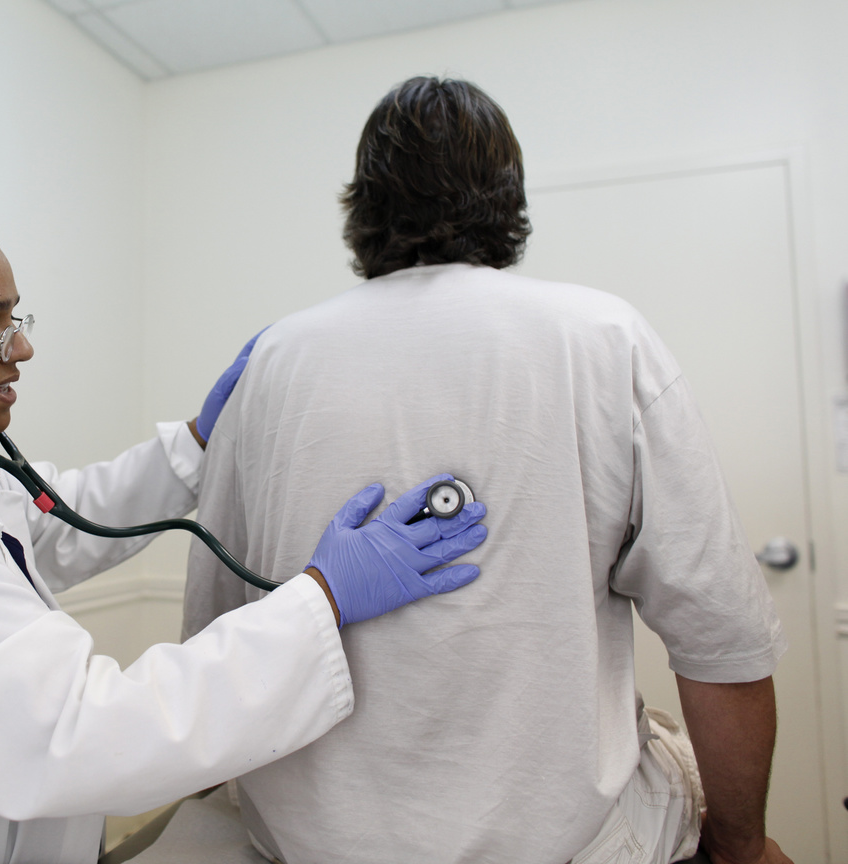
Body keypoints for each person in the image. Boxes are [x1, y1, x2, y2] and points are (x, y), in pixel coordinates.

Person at [0, 192, 489, 864]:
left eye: (16, 316)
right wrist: (322, 599)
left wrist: (194, 447)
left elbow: (50, 528)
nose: (22, 347)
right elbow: (88, 731)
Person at [183, 78, 791, 864]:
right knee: (665, 758)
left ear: (362, 206)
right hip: (563, 840)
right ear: (508, 200)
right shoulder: (604, 339)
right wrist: (743, 847)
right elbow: (723, 639)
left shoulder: (270, 359)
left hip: (305, 841)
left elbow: (213, 631)